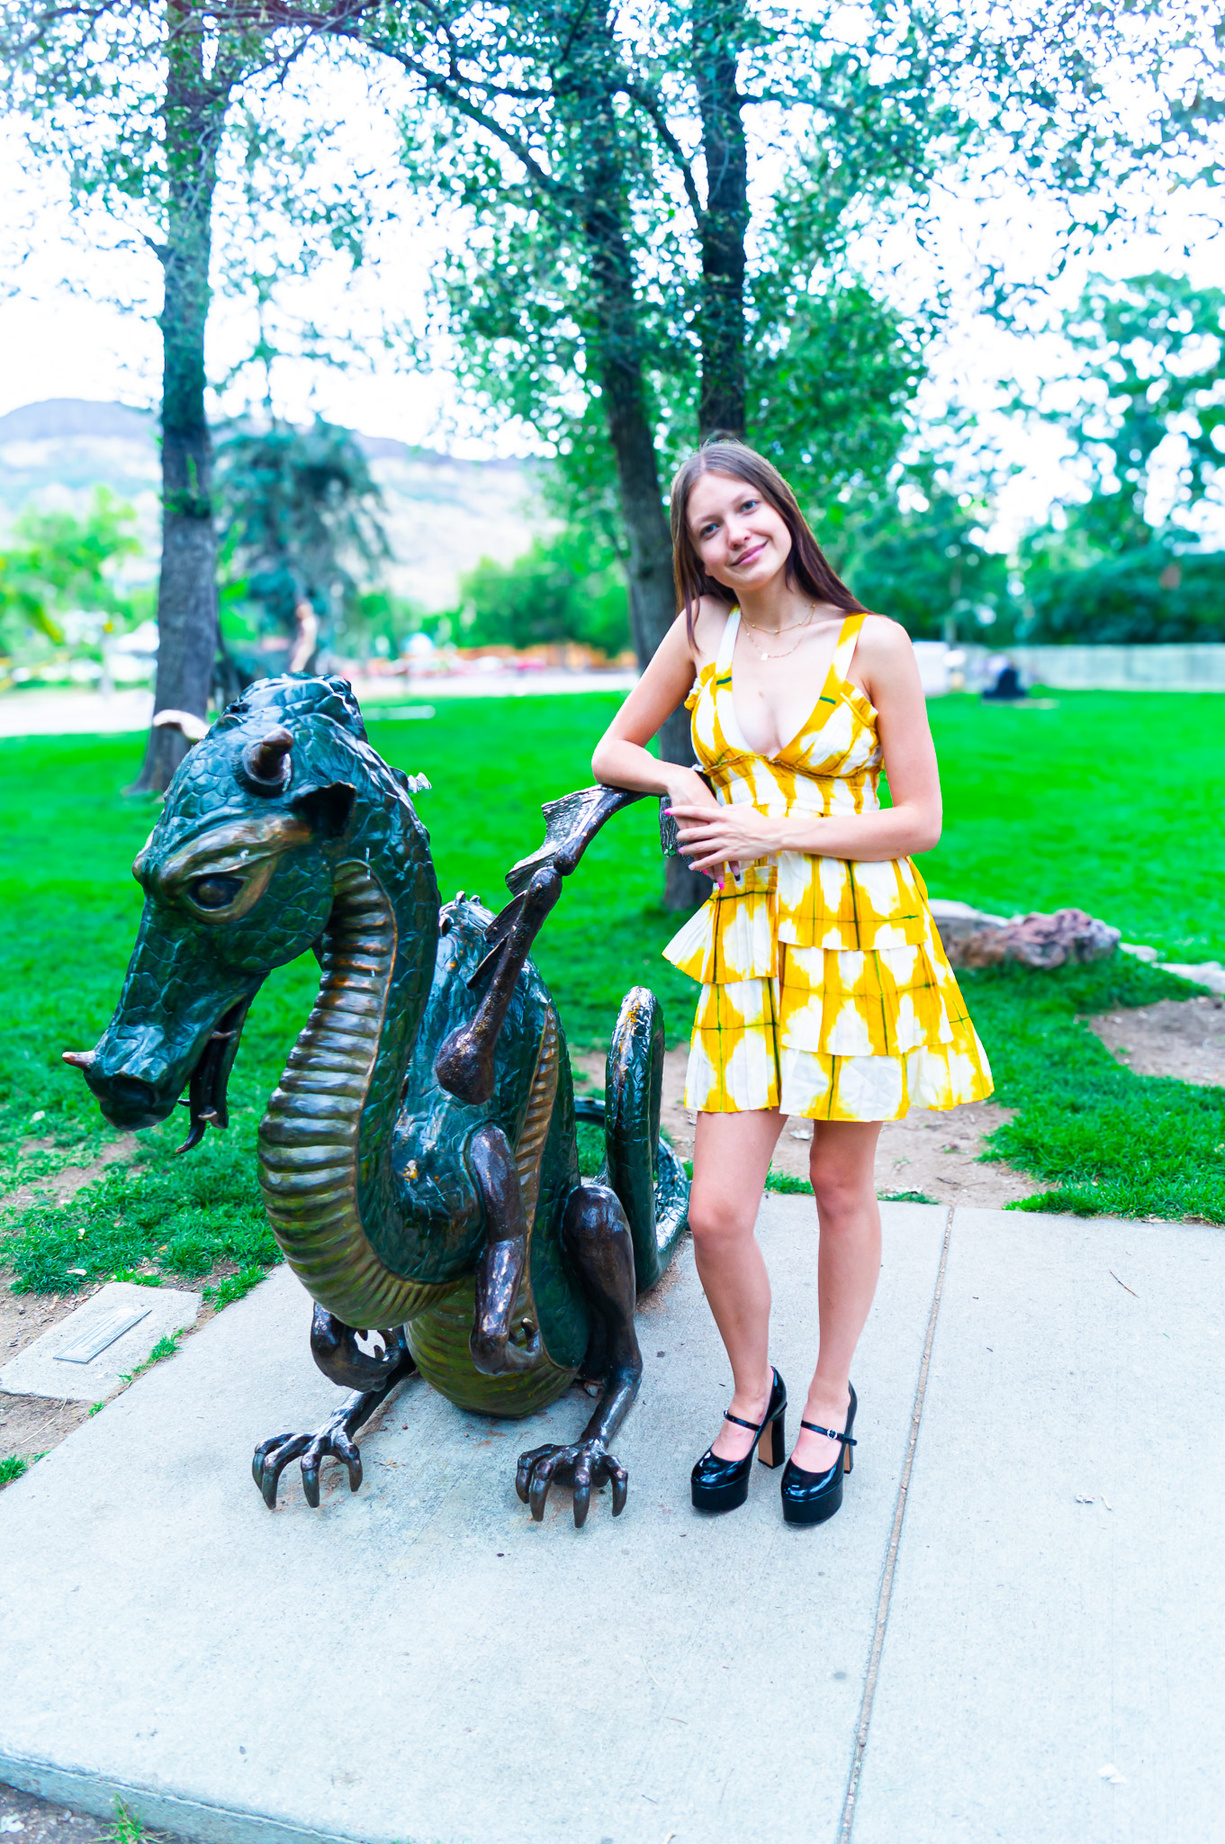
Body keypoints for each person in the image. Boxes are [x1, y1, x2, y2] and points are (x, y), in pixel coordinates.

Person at [591, 440, 992, 1526]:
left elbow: (919, 819)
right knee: (718, 1211)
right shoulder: (698, 634)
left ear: (781, 507)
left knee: (837, 1188)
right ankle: (748, 1389)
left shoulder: (874, 644)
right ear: (698, 555)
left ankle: (823, 1399)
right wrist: (680, 771)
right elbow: (608, 752)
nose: (733, 535)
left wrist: (769, 823)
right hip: (750, 947)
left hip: (857, 941)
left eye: (745, 509)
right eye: (708, 528)